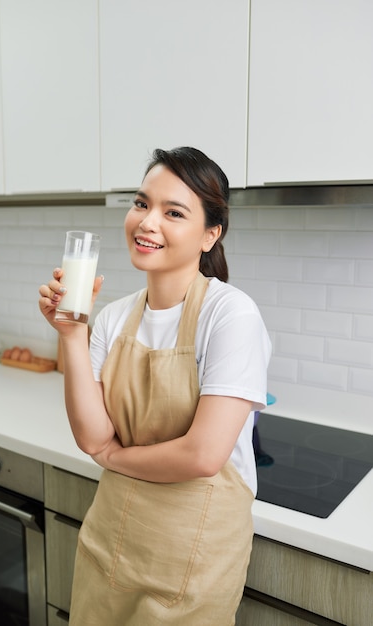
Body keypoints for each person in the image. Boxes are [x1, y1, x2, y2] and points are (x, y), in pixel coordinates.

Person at [39, 146, 271, 625]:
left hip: (194, 560)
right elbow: (93, 437)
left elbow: (202, 456)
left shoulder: (229, 315)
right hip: (111, 543)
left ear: (211, 234)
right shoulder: (112, 316)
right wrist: (72, 336)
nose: (147, 223)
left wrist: (115, 460)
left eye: (174, 212)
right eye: (142, 204)